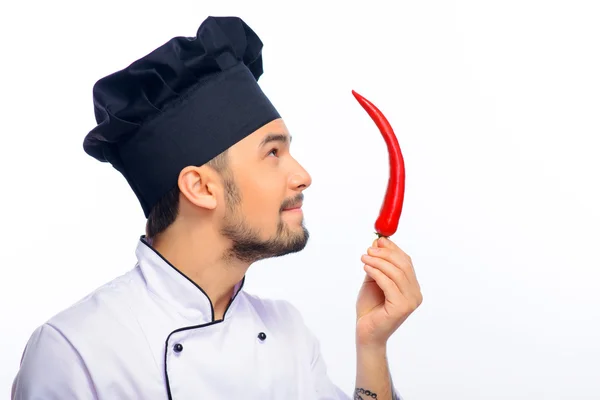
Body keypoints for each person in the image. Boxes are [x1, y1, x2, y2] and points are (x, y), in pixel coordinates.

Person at [11, 16, 422, 400]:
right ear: (200, 187)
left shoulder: (287, 334)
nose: (302, 176)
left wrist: (372, 344)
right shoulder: (74, 352)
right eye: (273, 153)